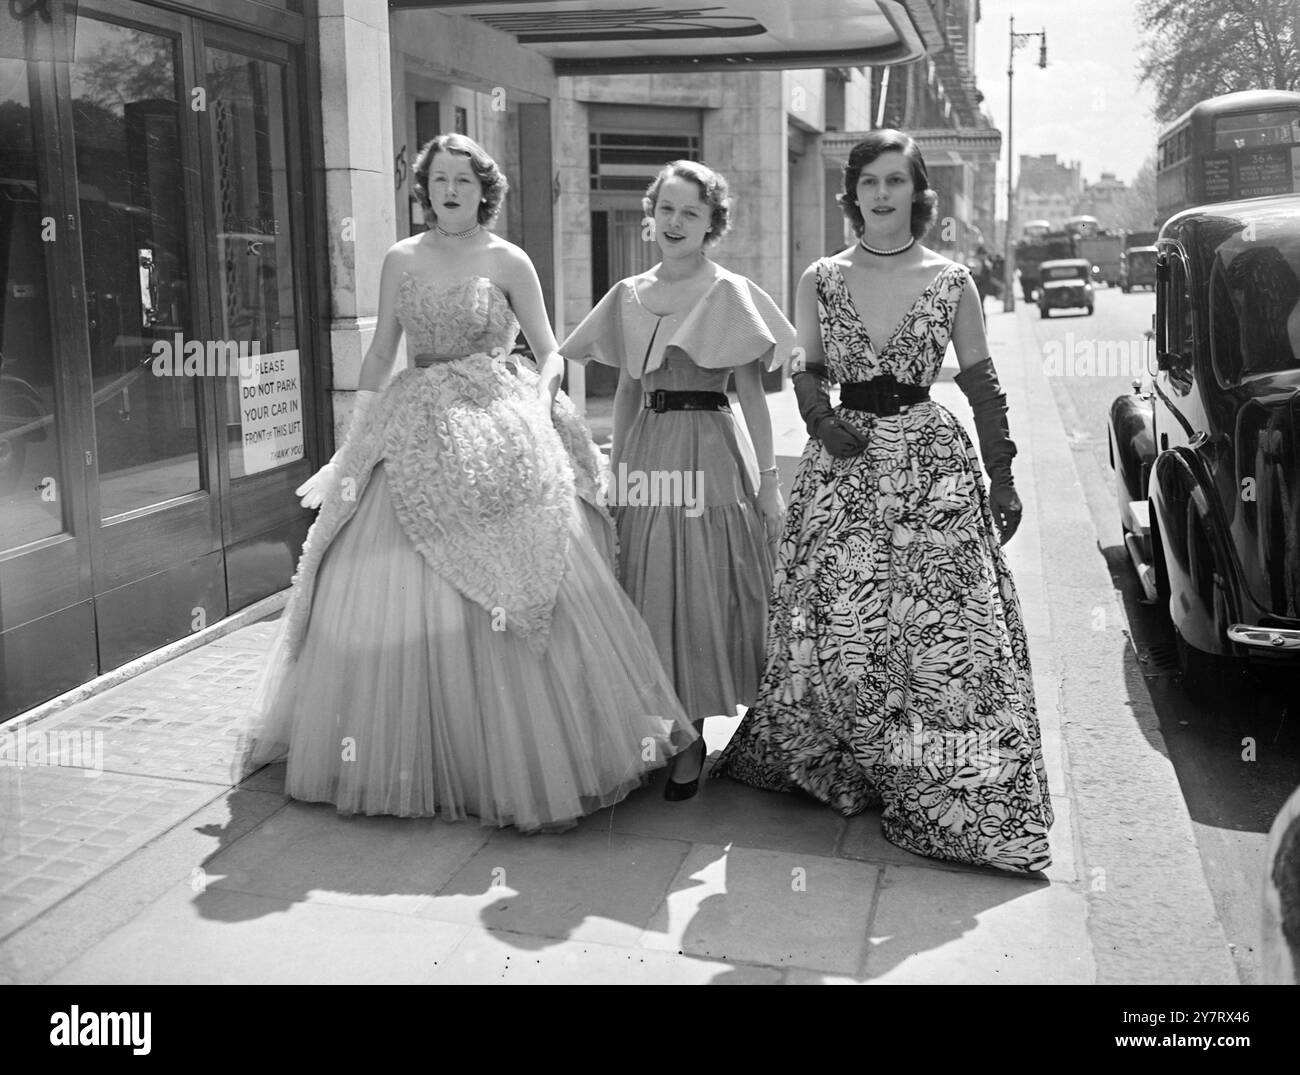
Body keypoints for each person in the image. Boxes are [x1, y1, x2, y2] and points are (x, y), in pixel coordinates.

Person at [238, 134, 697, 834]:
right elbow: (380, 352)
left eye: (463, 178)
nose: (450, 189)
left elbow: (550, 353)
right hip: (415, 422)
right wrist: (350, 447)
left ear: (486, 187)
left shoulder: (508, 259)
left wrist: (542, 403)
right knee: (377, 571)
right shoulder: (400, 258)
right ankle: (411, 752)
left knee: (528, 566)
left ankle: (529, 753)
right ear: (424, 190)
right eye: (438, 179)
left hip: (498, 414)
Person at [712, 130, 1053, 873]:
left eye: (895, 180)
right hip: (844, 466)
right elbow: (802, 363)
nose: (881, 193)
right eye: (868, 181)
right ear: (854, 193)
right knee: (842, 625)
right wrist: (817, 417)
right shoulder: (820, 276)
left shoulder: (954, 280)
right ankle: (860, 758)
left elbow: (983, 384)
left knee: (939, 634)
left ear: (917, 193)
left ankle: (935, 776)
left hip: (931, 467)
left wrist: (1002, 475)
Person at [560, 160, 795, 801]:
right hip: (650, 454)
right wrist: (616, 468)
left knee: (703, 585)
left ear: (712, 223)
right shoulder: (631, 295)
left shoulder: (728, 294)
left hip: (713, 452)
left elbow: (752, 395)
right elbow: (630, 391)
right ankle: (676, 732)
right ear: (651, 215)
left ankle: (701, 733)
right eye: (666, 209)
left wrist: (769, 481)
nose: (675, 222)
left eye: (691, 212)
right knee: (651, 584)